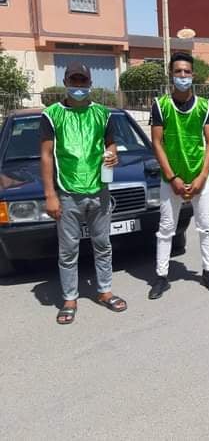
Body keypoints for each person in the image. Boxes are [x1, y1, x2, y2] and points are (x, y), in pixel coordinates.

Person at [40, 62, 126, 324]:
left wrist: (113, 156)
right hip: (67, 191)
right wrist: (50, 195)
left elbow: (111, 145)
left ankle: (105, 291)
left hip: (99, 189)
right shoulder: (52, 114)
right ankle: (69, 298)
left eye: (82, 81)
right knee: (68, 250)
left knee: (103, 244)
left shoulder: (102, 114)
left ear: (90, 83)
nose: (78, 86)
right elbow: (46, 155)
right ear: (66, 82)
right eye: (74, 81)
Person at [148, 52, 209, 299]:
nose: (182, 76)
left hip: (199, 176)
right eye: (178, 71)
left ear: (193, 75)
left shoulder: (204, 105)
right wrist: (172, 178)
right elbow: (157, 143)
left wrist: (202, 176)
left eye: (186, 72)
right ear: (170, 74)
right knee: (166, 229)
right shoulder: (161, 105)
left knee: (205, 227)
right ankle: (161, 276)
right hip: (172, 179)